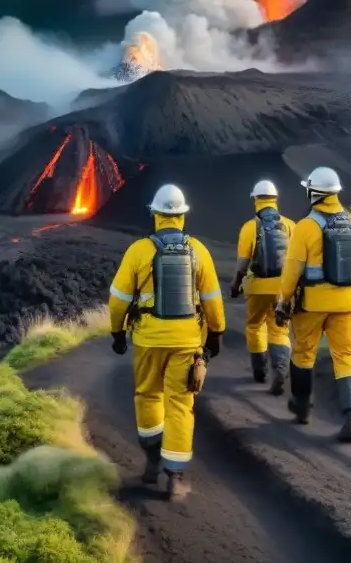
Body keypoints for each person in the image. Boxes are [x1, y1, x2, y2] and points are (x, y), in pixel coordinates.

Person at [107, 184, 225, 500]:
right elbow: (212, 300)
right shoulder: (199, 251)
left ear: (156, 214)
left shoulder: (138, 251)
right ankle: (175, 477)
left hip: (147, 340)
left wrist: (117, 331)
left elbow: (118, 300)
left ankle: (152, 458)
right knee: (180, 404)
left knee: (147, 395)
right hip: (187, 342)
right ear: (182, 216)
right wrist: (216, 332)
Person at [273, 167, 351, 443]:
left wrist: (282, 302)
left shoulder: (306, 227)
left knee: (304, 354)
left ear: (313, 193)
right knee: (347, 358)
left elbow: (292, 270)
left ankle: (302, 408)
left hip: (312, 305)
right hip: (348, 303)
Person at [229, 180, 295, 395]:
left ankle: (260, 373)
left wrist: (235, 284)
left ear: (256, 200)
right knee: (279, 329)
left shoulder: (250, 228)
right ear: (275, 199)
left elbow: (243, 262)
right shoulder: (289, 225)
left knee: (255, 326)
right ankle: (281, 371)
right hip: (282, 288)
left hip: (257, 287)